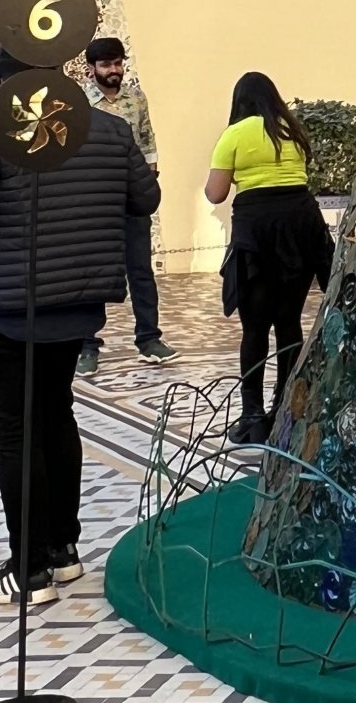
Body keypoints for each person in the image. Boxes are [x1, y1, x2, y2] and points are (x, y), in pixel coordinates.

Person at [0, 47, 159, 607]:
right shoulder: (111, 130)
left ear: (4, 85)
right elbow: (146, 197)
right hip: (77, 301)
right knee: (56, 416)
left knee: (17, 434)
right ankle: (62, 551)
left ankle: (28, 570)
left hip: (4, 308)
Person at [206, 72, 332, 446]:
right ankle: (286, 410)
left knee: (255, 328)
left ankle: (252, 417)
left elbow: (216, 193)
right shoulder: (291, 131)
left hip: (257, 233)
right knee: (289, 322)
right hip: (301, 228)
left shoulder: (234, 134)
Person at [78, 38, 177, 374]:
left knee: (141, 271)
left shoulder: (136, 99)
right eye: (106, 64)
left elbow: (147, 141)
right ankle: (87, 346)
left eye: (118, 63)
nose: (114, 71)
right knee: (92, 273)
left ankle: (149, 339)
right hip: (94, 200)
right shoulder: (78, 103)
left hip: (131, 197)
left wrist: (149, 181)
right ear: (91, 69)